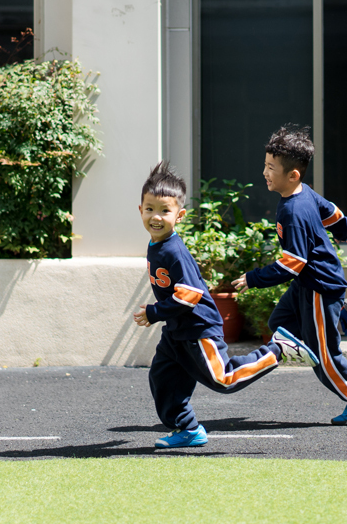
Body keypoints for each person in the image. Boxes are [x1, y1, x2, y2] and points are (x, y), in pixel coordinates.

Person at [134, 161, 320, 448]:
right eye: (150, 209)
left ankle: (279, 349)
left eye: (164, 211)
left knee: (224, 379)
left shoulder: (173, 250)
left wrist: (154, 312)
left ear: (179, 215)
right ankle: (187, 429)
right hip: (176, 331)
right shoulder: (156, 244)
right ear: (140, 210)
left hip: (199, 328)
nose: (155, 217)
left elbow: (190, 295)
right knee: (163, 378)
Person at [233, 125, 347, 425]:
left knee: (321, 354)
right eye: (265, 165)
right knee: (281, 325)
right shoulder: (303, 194)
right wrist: (345, 231)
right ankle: (340, 317)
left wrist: (254, 279)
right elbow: (333, 212)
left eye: (271, 168)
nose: (265, 172)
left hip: (318, 286)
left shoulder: (293, 211)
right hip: (310, 283)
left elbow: (292, 264)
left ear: (293, 175)